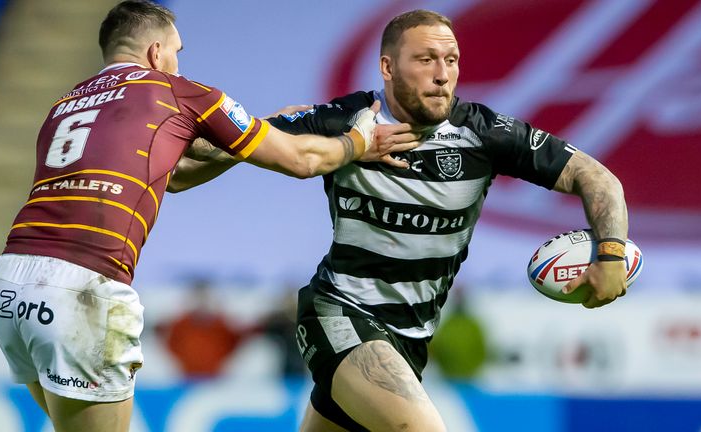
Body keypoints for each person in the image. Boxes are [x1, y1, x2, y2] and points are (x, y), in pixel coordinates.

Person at [172, 9, 629, 431]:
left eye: (451, 59)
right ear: (387, 68)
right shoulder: (343, 122)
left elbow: (597, 178)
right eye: (426, 59)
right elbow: (190, 166)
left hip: (411, 338)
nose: (442, 74)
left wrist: (610, 253)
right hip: (340, 313)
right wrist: (251, 131)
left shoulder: (486, 133)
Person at [0, 2, 420, 431]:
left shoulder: (65, 104)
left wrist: (253, 132)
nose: (176, 63)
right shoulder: (175, 90)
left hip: (10, 288)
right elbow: (302, 160)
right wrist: (359, 142)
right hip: (84, 289)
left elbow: (171, 175)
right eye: (176, 51)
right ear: (156, 53)